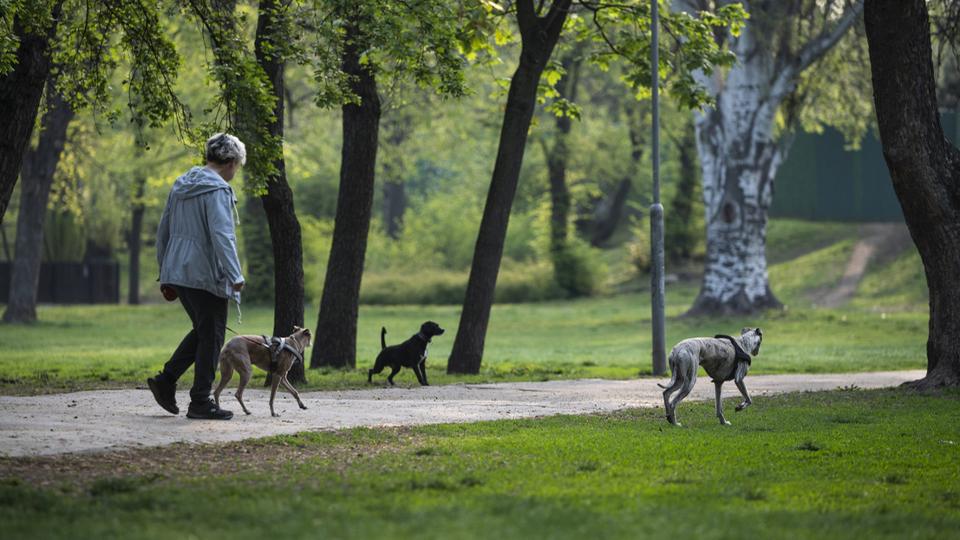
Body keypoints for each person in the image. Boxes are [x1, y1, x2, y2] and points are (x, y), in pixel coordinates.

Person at [147, 133, 246, 420]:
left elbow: (163, 228)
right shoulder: (217, 190)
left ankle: (166, 381)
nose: (235, 173)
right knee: (212, 336)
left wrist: (165, 271)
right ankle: (200, 401)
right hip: (205, 274)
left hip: (179, 270)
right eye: (237, 166)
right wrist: (234, 273)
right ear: (229, 162)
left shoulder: (182, 184)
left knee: (205, 331)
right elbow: (222, 235)